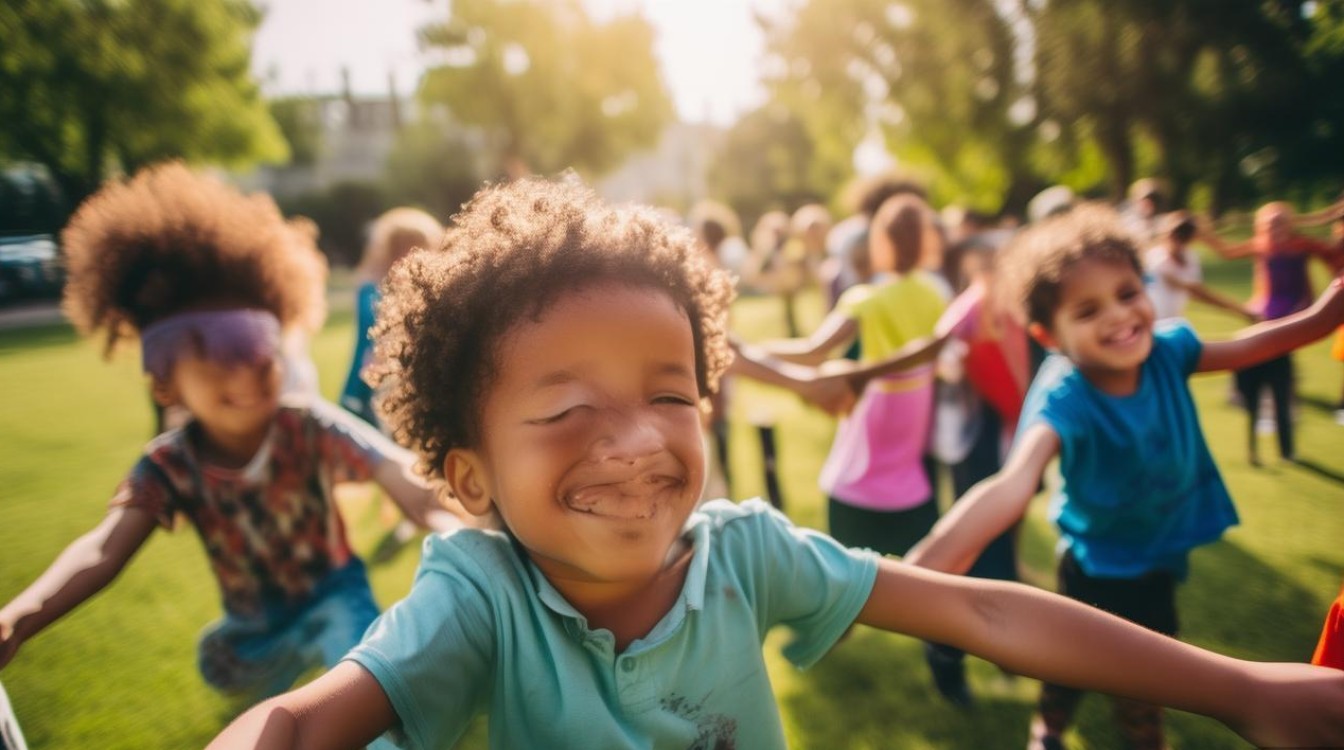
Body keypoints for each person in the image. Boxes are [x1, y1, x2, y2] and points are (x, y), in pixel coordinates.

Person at [208, 177, 1344, 750]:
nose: (640, 438)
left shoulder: (745, 555)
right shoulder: (477, 598)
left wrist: (1245, 692)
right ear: (467, 479)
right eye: (566, 409)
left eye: (669, 394)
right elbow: (306, 725)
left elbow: (991, 618)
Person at [0, 164, 467, 701]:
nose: (247, 371)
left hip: (337, 600)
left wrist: (457, 534)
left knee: (368, 695)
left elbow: (403, 480)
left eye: (259, 348)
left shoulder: (307, 425)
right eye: (218, 352)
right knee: (225, 668)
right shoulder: (170, 466)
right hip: (251, 635)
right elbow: (102, 549)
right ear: (164, 382)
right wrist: (17, 616)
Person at [906, 204, 1344, 749]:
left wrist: (1327, 316)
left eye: (1127, 293)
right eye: (1087, 311)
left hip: (1155, 561)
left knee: (1147, 689)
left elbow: (1256, 345)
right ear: (1048, 334)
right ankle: (1047, 732)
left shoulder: (1168, 350)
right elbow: (1012, 483)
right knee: (1065, 673)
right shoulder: (1066, 395)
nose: (1118, 317)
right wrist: (920, 568)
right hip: (1091, 568)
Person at [759, 193, 946, 558]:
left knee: (844, 568)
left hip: (872, 427)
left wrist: (750, 351)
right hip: (914, 433)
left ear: (881, 242)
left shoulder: (866, 299)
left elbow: (814, 351)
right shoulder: (934, 295)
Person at [1200, 201, 1344, 463]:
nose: (1273, 228)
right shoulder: (1261, 245)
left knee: (1277, 370)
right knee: (1262, 366)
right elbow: (1227, 252)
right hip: (1267, 313)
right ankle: (1261, 411)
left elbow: (1332, 253)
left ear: (1289, 224)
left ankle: (1281, 428)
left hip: (1294, 312)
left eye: (1279, 222)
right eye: (1269, 223)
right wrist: (1203, 233)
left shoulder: (1299, 245)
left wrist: (1334, 219)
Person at [339, 208, 445, 428]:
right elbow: (370, 337)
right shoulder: (372, 294)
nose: (406, 257)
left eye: (415, 248)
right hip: (371, 388)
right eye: (400, 249)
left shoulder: (434, 296)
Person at [1144, 211, 1257, 322]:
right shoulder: (1157, 258)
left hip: (1171, 321)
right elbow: (1198, 293)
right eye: (1175, 235)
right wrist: (1241, 311)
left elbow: (1197, 290)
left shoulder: (1189, 257)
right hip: (1152, 321)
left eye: (1184, 237)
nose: (1176, 241)